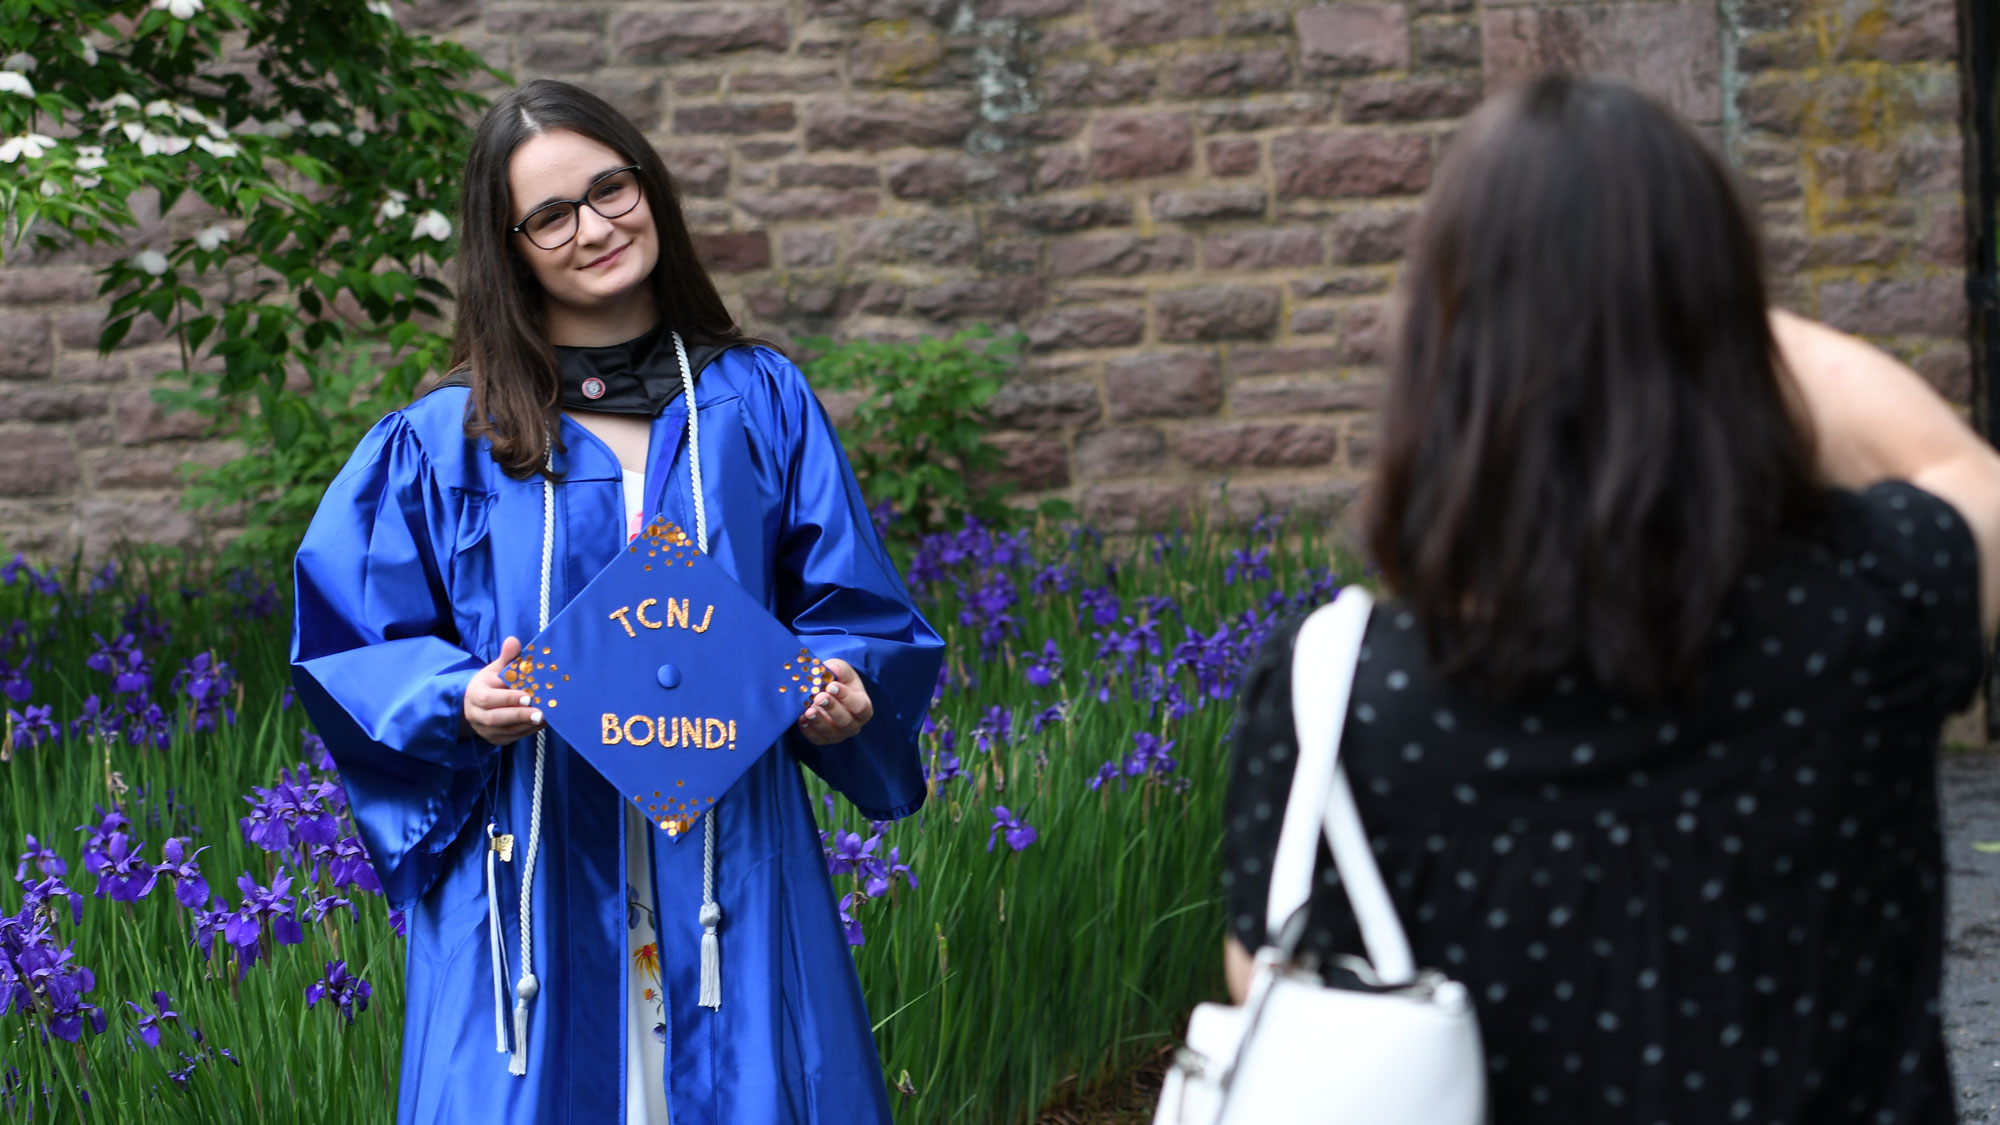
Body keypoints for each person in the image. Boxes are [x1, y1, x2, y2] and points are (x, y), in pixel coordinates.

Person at [1222, 74, 2000, 1124]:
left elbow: (1271, 999)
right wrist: (1680, 318)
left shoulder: (1339, 705)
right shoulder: (1861, 619)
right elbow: (1961, 476)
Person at [290, 79, 943, 1125]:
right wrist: (456, 699)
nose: (594, 227)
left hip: (730, 861)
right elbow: (354, 639)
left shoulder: (757, 402)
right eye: (550, 214)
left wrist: (843, 684)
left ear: (649, 188)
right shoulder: (443, 439)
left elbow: (850, 606)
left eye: (610, 188)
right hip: (533, 868)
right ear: (509, 247)